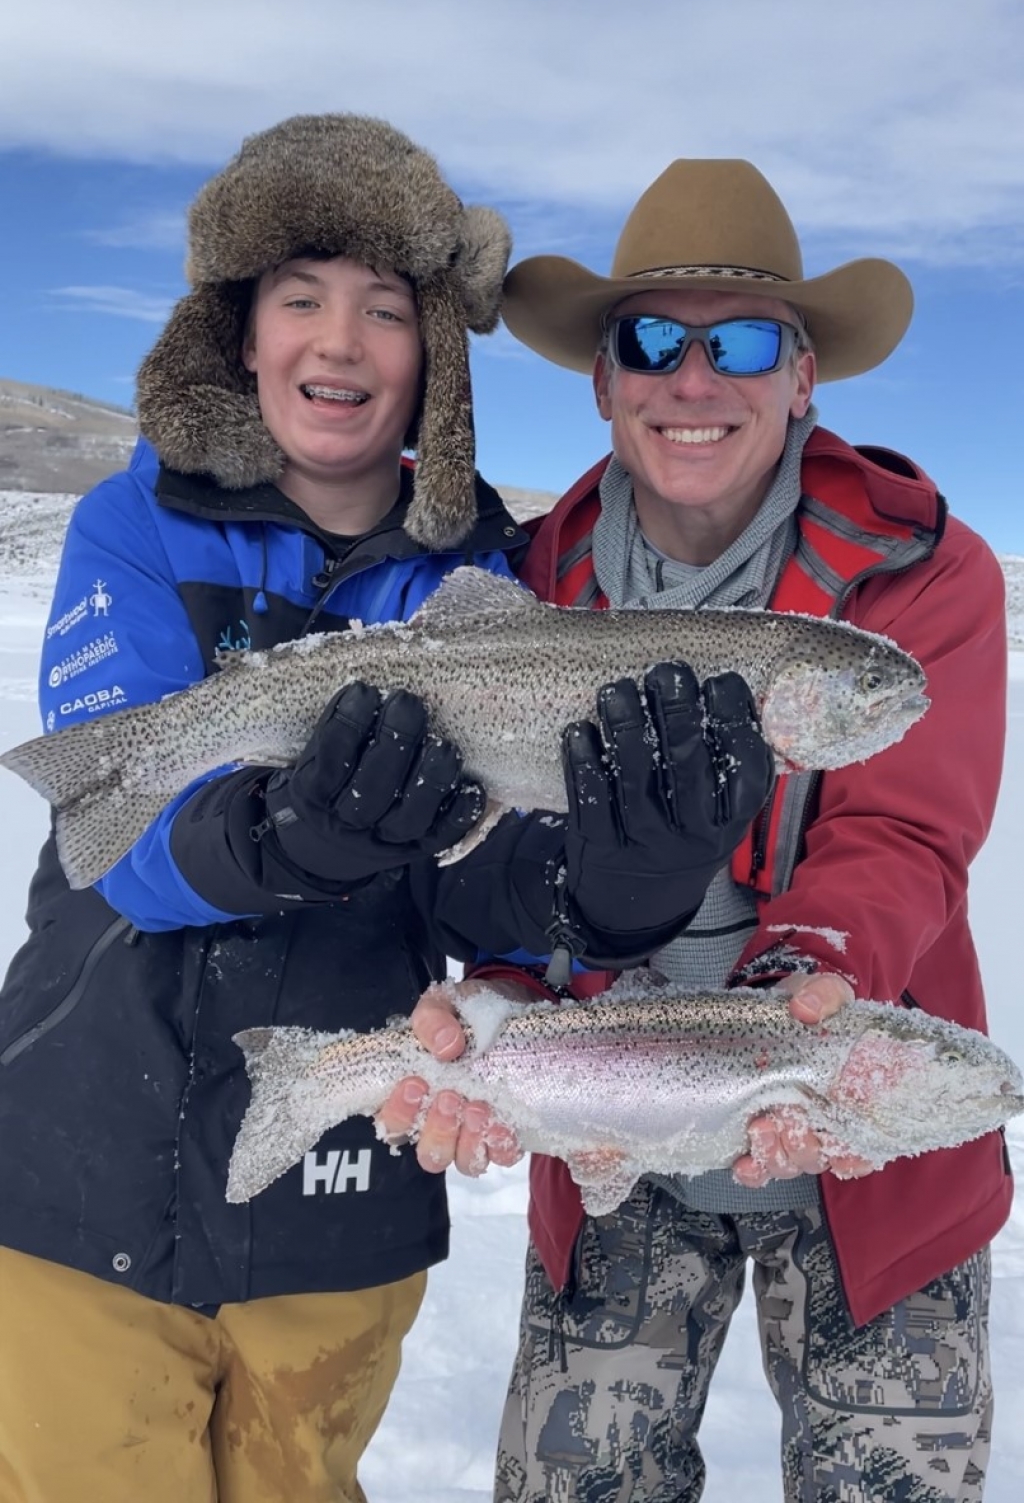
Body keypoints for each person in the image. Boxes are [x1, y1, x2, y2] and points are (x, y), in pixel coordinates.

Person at [0, 117, 773, 1503]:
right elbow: (114, 842)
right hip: (70, 1176)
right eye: (300, 297)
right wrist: (280, 838)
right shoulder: (139, 526)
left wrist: (621, 883)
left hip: (337, 1209)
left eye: (386, 309)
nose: (340, 344)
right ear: (240, 333)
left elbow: (490, 885)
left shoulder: (481, 588)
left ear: (436, 360)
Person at [377, 158, 1010, 1501]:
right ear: (605, 379)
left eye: (744, 343)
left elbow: (907, 831)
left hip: (864, 1155)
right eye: (655, 340)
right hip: (613, 1138)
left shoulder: (924, 568)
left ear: (804, 377)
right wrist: (488, 999)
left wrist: (806, 981)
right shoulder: (532, 583)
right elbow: (508, 854)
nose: (694, 379)